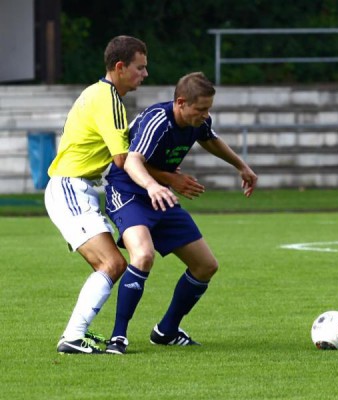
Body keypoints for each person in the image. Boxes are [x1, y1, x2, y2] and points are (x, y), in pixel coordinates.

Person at [104, 71, 258, 354]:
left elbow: (210, 138)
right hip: (129, 192)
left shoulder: (198, 120)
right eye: (201, 109)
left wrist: (241, 167)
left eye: (209, 109)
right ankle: (118, 337)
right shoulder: (157, 121)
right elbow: (130, 161)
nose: (205, 115)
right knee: (143, 255)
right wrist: (159, 183)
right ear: (180, 103)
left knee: (206, 265)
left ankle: (167, 330)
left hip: (159, 193)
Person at [44, 35, 162, 354]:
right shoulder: (108, 99)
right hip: (71, 187)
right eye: (140, 68)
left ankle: (76, 334)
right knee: (111, 263)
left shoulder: (100, 94)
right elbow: (123, 162)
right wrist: (163, 178)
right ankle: (72, 336)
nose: (145, 74)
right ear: (120, 67)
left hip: (78, 188)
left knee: (113, 264)